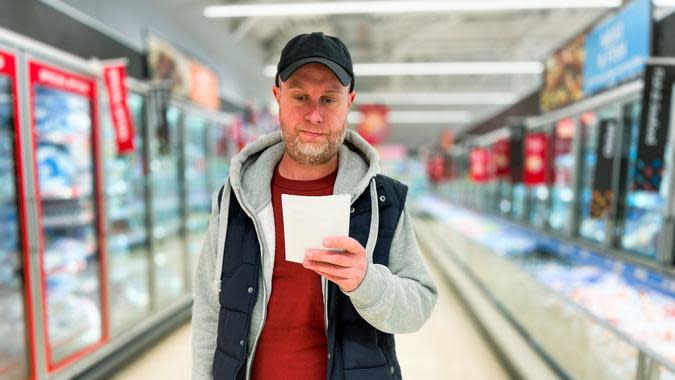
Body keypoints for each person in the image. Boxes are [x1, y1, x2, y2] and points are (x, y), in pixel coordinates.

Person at [192, 32, 437, 380]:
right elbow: (208, 309)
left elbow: (419, 305)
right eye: (300, 96)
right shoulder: (236, 198)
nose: (314, 115)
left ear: (349, 102)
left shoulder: (384, 201)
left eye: (329, 99)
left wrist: (366, 282)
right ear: (277, 97)